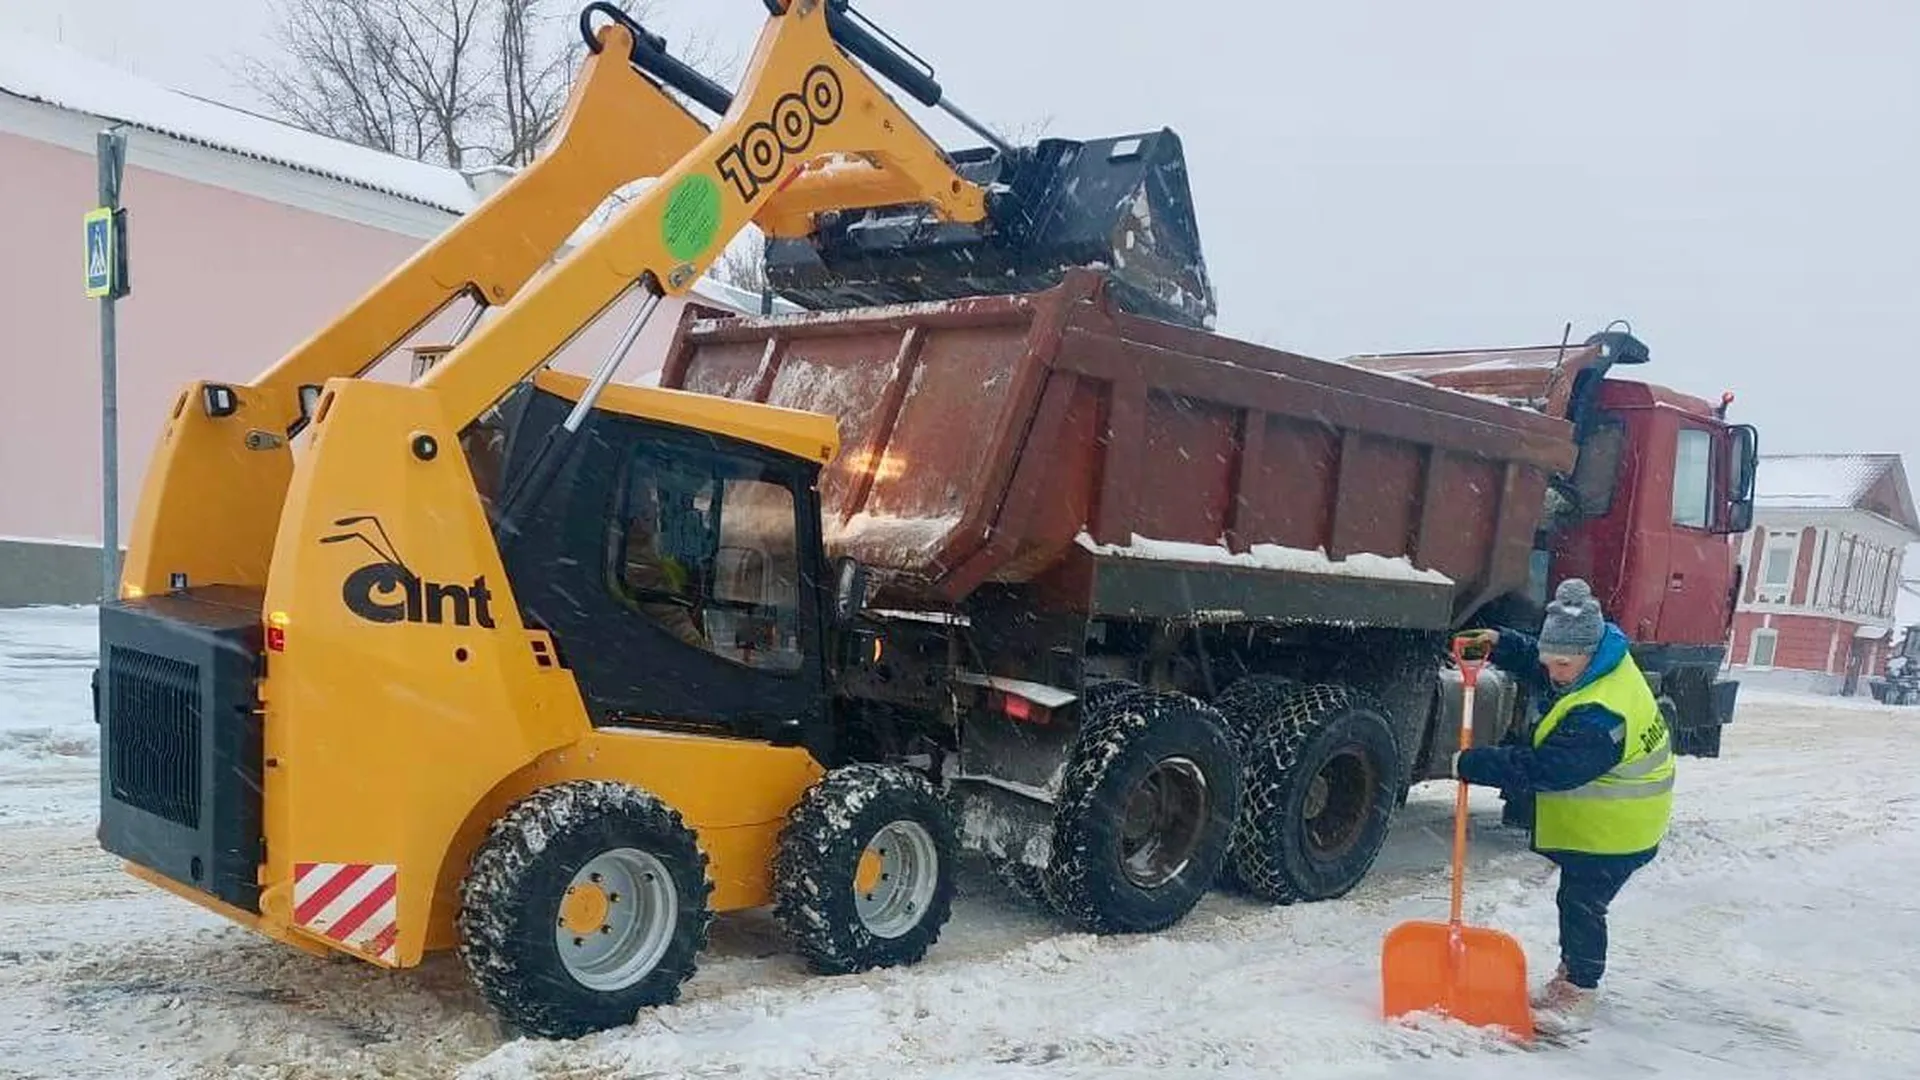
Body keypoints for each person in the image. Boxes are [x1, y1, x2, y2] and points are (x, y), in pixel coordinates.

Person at [1450, 577, 1675, 1030]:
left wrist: (1474, 764)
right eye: (1549, 660)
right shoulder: (1597, 662)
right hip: (1611, 822)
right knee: (1578, 900)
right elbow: (1545, 665)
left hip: (1619, 830)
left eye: (1563, 664)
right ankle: (1572, 976)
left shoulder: (1601, 713)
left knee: (1581, 904)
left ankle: (1579, 990)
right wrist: (1502, 644)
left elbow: (1546, 770)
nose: (1554, 672)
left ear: (1587, 656)